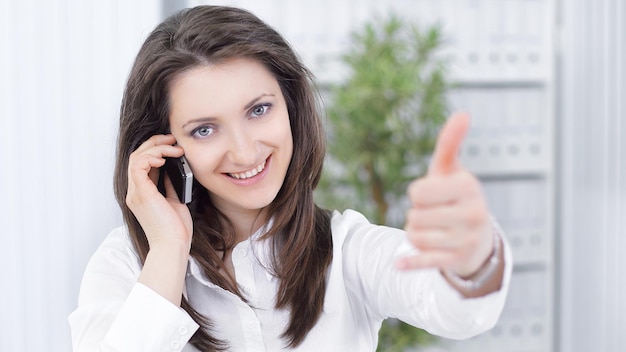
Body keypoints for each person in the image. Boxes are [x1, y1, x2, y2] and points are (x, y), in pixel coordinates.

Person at [68, 5, 511, 352]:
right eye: (204, 129)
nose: (244, 151)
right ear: (164, 149)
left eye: (259, 110)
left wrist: (473, 257)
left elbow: (455, 310)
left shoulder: (347, 251)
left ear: (291, 109)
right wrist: (167, 253)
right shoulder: (126, 264)